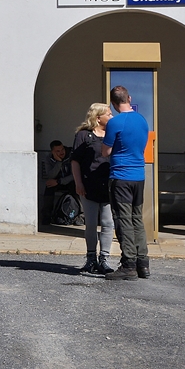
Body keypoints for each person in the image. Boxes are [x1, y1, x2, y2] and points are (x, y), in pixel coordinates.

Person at [101, 86, 150, 280]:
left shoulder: (115, 122)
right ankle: (143, 264)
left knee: (123, 220)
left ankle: (128, 263)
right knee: (137, 218)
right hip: (139, 175)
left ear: (113, 103)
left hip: (121, 176)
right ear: (129, 98)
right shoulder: (142, 120)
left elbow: (105, 151)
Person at [71, 104, 114, 274]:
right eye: (108, 115)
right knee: (90, 224)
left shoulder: (112, 135)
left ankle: (104, 259)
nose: (111, 117)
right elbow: (75, 161)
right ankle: (91, 258)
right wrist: (78, 183)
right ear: (98, 118)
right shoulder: (83, 135)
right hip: (89, 185)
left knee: (108, 223)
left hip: (108, 185)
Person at [41, 140, 75, 223]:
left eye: (62, 149)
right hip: (57, 182)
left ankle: (79, 215)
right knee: (49, 187)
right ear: (53, 152)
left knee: (77, 186)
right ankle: (47, 215)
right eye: (58, 151)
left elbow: (74, 175)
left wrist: (59, 181)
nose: (61, 152)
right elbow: (50, 175)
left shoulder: (71, 156)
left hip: (69, 181)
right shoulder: (49, 158)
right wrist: (58, 162)